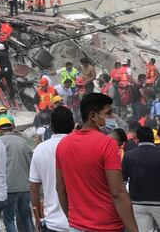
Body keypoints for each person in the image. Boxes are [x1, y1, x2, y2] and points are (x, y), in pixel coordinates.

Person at [56, 93, 138, 232]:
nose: (112, 117)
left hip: (76, 226)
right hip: (107, 226)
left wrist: (72, 220)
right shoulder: (107, 144)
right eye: (108, 113)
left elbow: (60, 187)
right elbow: (118, 192)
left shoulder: (63, 145)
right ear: (93, 116)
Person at [30, 106, 74, 232]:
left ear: (51, 126)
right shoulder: (80, 147)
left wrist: (37, 215)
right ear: (72, 125)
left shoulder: (40, 149)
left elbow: (33, 187)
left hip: (53, 223)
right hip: (80, 222)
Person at [0, 117, 34, 232]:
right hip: (25, 187)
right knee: (26, 218)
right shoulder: (24, 141)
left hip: (9, 187)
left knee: (9, 220)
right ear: (11, 128)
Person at [122, 126, 160, 231]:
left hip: (137, 203)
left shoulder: (128, 156)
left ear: (137, 139)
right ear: (153, 138)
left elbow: (123, 181)